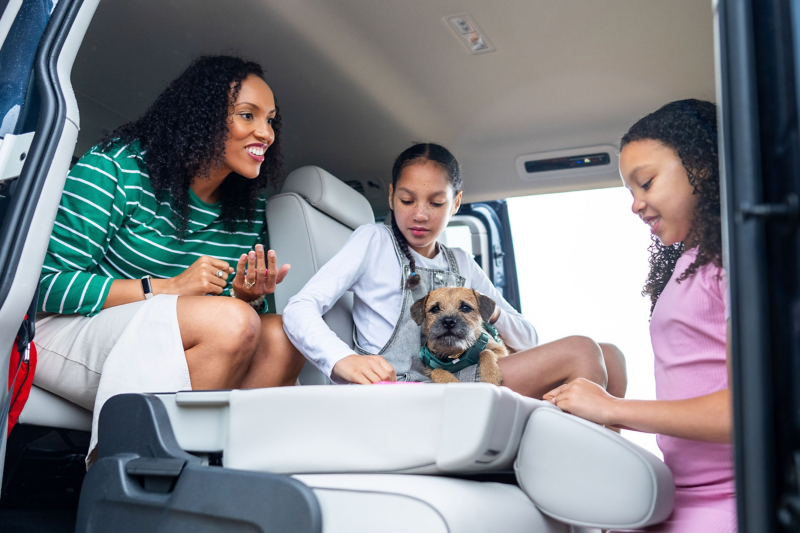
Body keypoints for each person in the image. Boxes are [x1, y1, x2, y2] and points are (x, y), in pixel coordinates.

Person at [34, 56, 305, 422]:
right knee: (230, 321)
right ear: (203, 116)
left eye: (270, 120)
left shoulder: (247, 211)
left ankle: (226, 466)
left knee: (285, 336)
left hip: (166, 329)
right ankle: (145, 464)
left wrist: (243, 295)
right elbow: (44, 286)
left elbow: (218, 311)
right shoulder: (115, 169)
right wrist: (164, 288)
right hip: (61, 327)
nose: (266, 133)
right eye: (248, 115)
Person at [283, 143, 626, 400]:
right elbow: (300, 307)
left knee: (609, 354)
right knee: (581, 350)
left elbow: (528, 338)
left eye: (435, 203)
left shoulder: (461, 262)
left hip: (463, 376)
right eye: (407, 200)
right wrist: (341, 359)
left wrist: (485, 311)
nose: (420, 214)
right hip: (410, 388)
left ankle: (606, 468)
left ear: (457, 203)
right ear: (390, 197)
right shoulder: (374, 240)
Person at [544, 99, 736, 532]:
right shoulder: (694, 260)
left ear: (701, 166)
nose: (636, 204)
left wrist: (614, 408)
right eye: (630, 192)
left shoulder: (735, 261)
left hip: (727, 497)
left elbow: (744, 412)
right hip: (681, 493)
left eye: (646, 183)